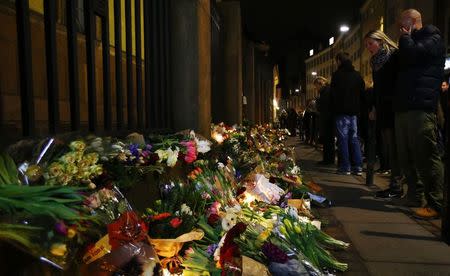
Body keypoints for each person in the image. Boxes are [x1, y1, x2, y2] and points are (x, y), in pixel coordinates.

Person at [394, 9, 445, 219]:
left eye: (403, 24)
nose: (400, 28)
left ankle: (436, 203)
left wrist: (405, 38)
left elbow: (413, 56)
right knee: (406, 156)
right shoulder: (410, 42)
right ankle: (415, 196)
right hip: (406, 105)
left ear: (414, 22)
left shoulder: (433, 39)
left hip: (421, 106)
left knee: (426, 156)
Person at [364, 30, 403, 198]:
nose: (368, 48)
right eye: (366, 45)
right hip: (383, 108)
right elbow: (378, 87)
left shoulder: (393, 56)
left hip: (394, 106)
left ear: (380, 41)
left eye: (370, 44)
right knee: (390, 147)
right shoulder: (375, 61)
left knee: (396, 148)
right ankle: (395, 185)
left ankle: (397, 187)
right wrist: (374, 107)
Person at [330, 52, 365, 175]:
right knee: (354, 139)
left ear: (339, 61)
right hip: (354, 113)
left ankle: (345, 167)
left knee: (343, 139)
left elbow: (333, 94)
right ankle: (358, 166)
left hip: (341, 112)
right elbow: (362, 93)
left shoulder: (337, 75)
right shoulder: (357, 75)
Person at [314, 76, 335, 165]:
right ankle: (328, 159)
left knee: (328, 140)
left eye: (316, 86)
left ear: (320, 84)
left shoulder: (325, 92)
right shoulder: (327, 91)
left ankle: (328, 160)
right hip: (328, 118)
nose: (316, 88)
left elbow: (323, 106)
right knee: (328, 140)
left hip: (327, 119)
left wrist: (318, 101)